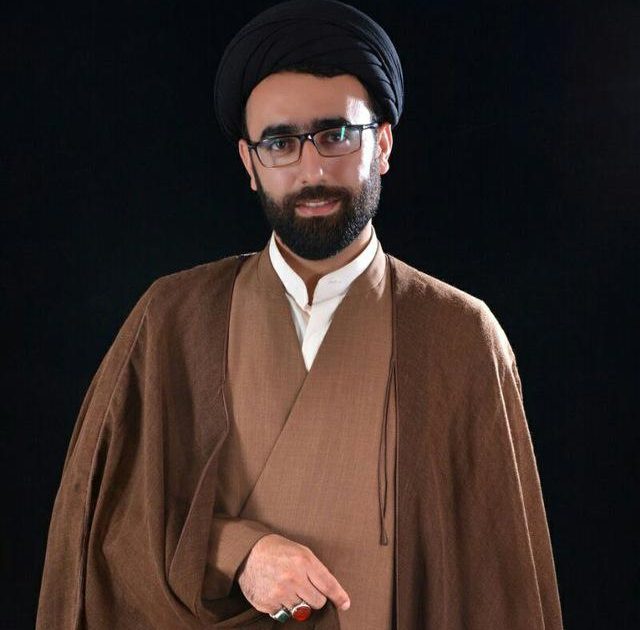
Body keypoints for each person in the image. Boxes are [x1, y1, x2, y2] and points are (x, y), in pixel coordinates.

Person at [36, 1, 563, 628]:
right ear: (249, 163)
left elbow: (499, 580)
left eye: (336, 135)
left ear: (383, 144)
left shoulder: (459, 336)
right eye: (280, 143)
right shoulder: (172, 318)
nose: (312, 171)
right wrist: (237, 552)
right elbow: (101, 525)